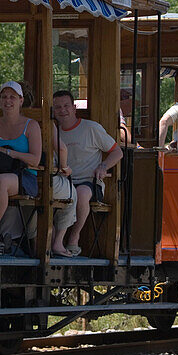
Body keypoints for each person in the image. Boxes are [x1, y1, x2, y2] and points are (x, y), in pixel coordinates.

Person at [51, 89, 124, 258]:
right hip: (64, 181)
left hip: (89, 182)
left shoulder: (91, 128)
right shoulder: (54, 132)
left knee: (81, 193)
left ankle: (74, 237)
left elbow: (117, 152)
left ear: (74, 107)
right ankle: (51, 240)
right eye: (58, 107)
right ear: (53, 111)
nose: (63, 110)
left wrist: (103, 166)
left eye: (66, 106)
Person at [0, 81, 41, 252]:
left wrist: (8, 152)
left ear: (20, 100)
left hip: (25, 176)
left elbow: (35, 160)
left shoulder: (31, 126)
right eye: (4, 97)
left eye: (12, 97)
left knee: (1, 181)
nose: (7, 101)